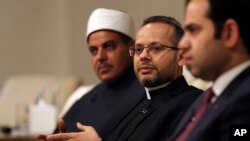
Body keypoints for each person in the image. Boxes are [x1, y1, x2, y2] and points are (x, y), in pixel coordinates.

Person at [45, 16, 202, 141]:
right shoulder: (143, 106)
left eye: (156, 48)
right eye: (139, 49)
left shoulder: (195, 103)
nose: (144, 56)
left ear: (181, 56)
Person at [37, 8, 145, 140]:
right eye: (93, 50)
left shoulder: (149, 95)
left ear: (132, 48)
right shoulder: (84, 98)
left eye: (109, 46)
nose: (100, 57)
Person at [167, 0, 250, 140]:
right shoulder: (208, 96)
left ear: (229, 33)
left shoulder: (245, 100)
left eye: (193, 30)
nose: (182, 44)